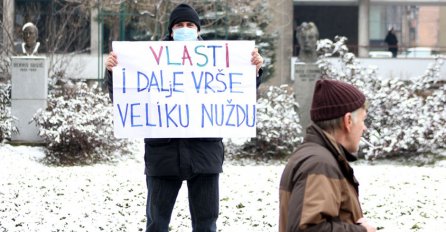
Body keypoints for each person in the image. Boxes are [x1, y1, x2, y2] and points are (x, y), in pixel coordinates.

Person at [104, 3, 264, 232]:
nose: (185, 29)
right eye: (179, 25)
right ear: (171, 30)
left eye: (190, 25)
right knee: (157, 224)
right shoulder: (147, 62)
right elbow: (124, 96)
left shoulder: (218, 61)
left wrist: (254, 71)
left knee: (206, 225)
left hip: (204, 156)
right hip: (163, 156)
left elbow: (238, 92)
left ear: (198, 30)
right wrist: (113, 73)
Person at [279, 78, 376, 232]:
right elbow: (307, 229)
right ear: (348, 121)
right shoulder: (319, 163)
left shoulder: (319, 157)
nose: (364, 128)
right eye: (363, 120)